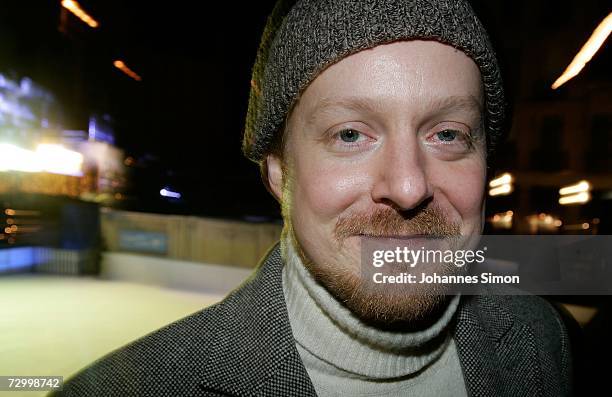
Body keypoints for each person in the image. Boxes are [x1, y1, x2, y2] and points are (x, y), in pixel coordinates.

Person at [55, 0, 572, 395]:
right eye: (350, 135)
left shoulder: (545, 343)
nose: (410, 186)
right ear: (280, 173)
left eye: (448, 134)